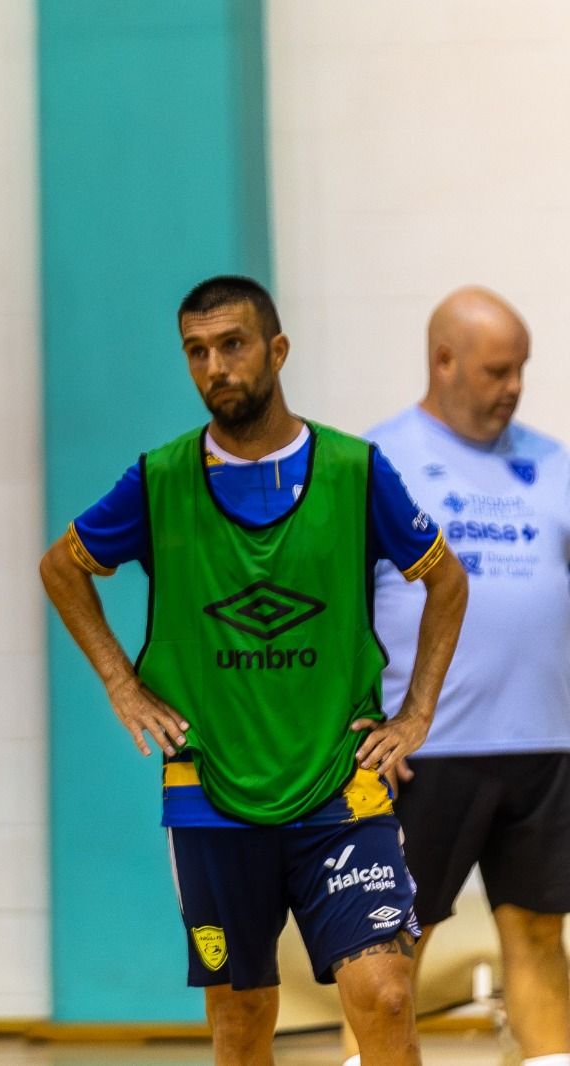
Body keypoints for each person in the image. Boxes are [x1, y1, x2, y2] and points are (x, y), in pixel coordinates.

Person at [40, 275, 468, 1066]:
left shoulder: (355, 470)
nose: (214, 367)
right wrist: (119, 681)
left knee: (387, 994)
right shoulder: (159, 479)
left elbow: (446, 579)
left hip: (341, 781)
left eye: (232, 345)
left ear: (276, 350)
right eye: (196, 352)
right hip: (210, 796)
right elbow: (63, 567)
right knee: (242, 1023)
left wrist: (416, 714)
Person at [339, 287, 570, 1066]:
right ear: (444, 361)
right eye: (498, 371)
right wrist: (358, 724)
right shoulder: (376, 464)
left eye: (521, 371)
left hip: (544, 750)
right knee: (391, 948)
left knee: (540, 932)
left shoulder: (551, 463)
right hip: (424, 755)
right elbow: (334, 616)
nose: (513, 388)